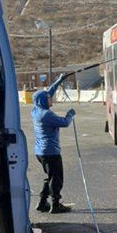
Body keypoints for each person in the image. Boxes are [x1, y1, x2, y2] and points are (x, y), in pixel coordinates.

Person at [31, 73, 76, 214]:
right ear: (44, 101)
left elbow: (48, 92)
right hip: (51, 152)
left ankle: (42, 202)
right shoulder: (46, 115)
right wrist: (70, 114)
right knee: (56, 179)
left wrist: (60, 79)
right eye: (49, 98)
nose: (51, 98)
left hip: (41, 152)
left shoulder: (36, 109)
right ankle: (55, 205)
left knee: (49, 177)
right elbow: (64, 123)